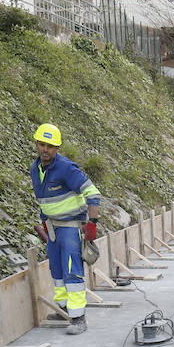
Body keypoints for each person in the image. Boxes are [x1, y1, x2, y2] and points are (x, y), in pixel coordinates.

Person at [30, 123, 101, 335]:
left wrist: (92, 223)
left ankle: (79, 318)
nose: (45, 149)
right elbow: (44, 199)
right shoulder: (35, 169)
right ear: (36, 144)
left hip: (70, 227)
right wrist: (45, 222)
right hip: (53, 228)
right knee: (57, 270)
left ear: (57, 148)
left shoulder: (66, 168)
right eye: (42, 144)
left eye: (50, 146)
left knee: (72, 271)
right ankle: (64, 310)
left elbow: (92, 192)